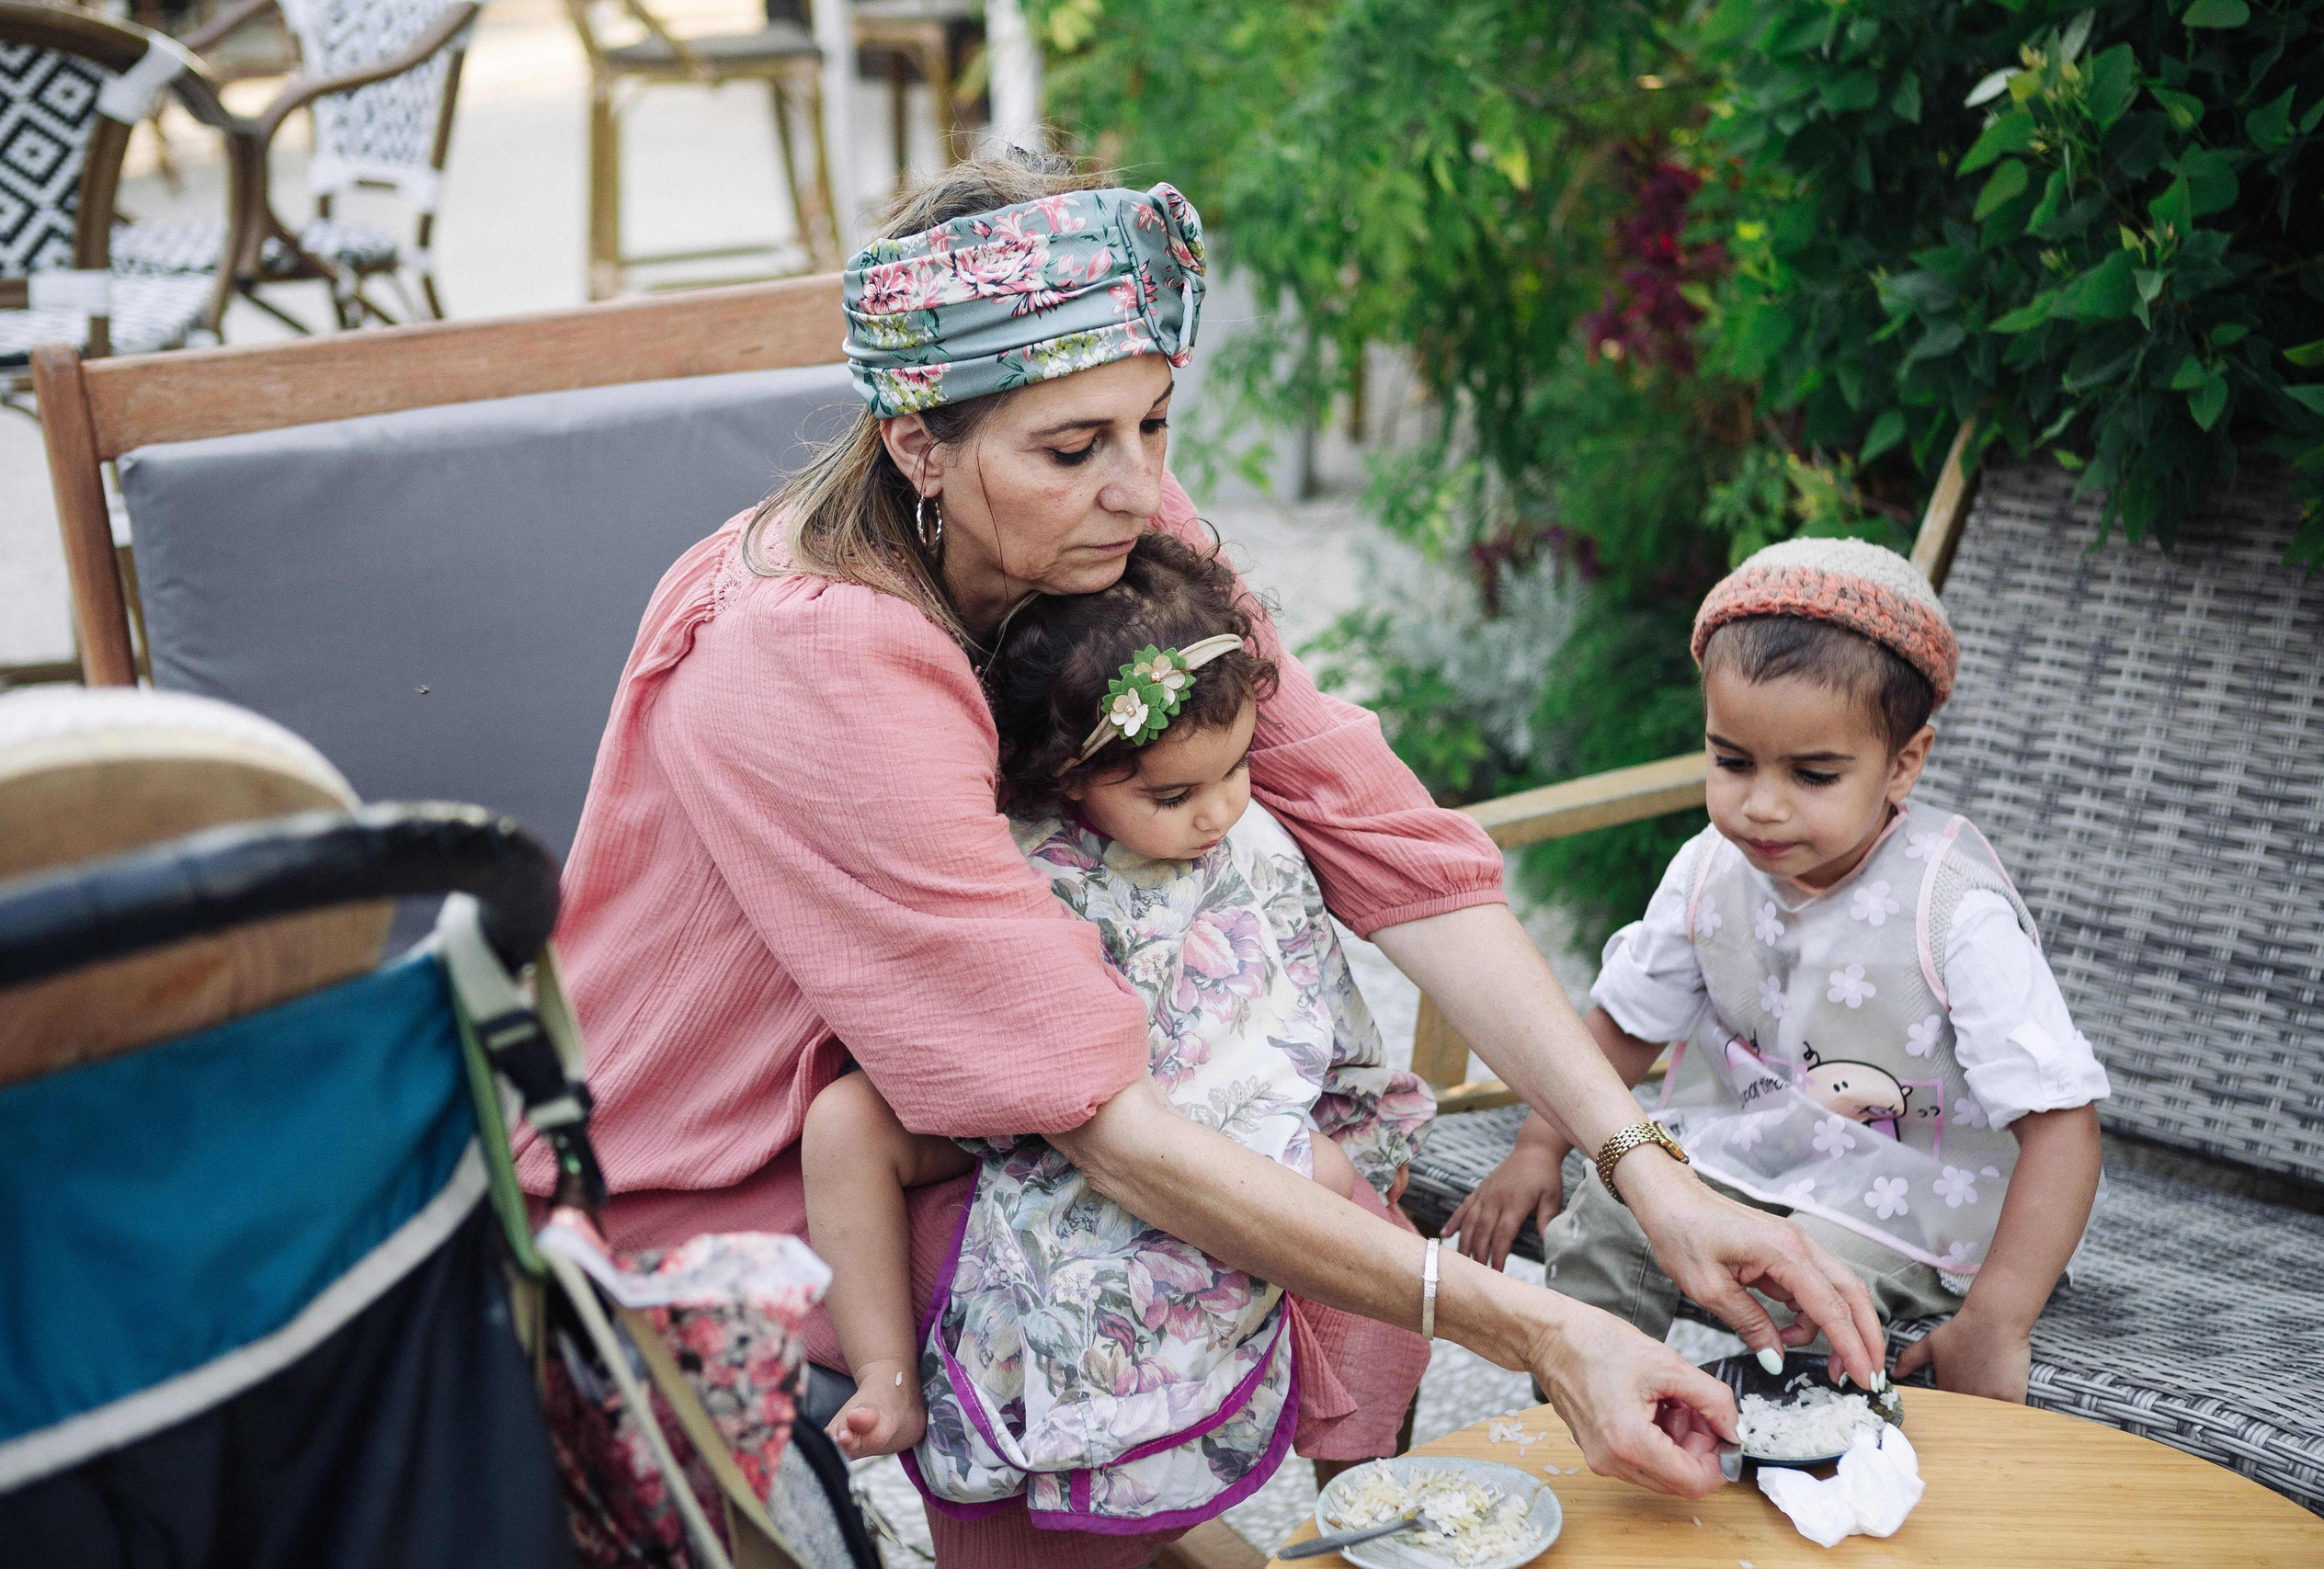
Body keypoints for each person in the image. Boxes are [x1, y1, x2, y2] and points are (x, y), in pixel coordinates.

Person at [519, 158, 1885, 1568]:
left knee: (1265, 1155)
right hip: (734, 1173)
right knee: (1096, 1275)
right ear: (916, 443)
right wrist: (1538, 1321)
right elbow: (1088, 1108)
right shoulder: (820, 651)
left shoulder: (1114, 549)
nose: (1140, 490)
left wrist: (1651, 1171)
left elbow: (1391, 843)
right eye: (1071, 447)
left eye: (1156, 422)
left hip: (960, 1104)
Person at [802, 534, 1432, 1537]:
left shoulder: (1245, 839)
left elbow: (1292, 1000)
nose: (1216, 811)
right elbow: (946, 992)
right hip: (1028, 1099)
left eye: (1233, 772)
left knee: (1318, 1172)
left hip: (1211, 1102)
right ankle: (886, 1372)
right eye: (1172, 796)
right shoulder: (1008, 857)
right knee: (842, 1122)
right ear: (1068, 777)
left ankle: (1340, 1467)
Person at [1445, 537, 2108, 1403]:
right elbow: (1626, 1025)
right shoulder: (1708, 870)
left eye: (1813, 773)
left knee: (1820, 1289)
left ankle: (1789, 1463)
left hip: (1904, 1192)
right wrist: (1540, 1145)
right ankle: (1588, 1424)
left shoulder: (1952, 912)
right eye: (1732, 760)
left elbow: (2064, 1126)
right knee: (1610, 1215)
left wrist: (1998, 1316)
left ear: (1903, 761)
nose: (1761, 803)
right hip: (1747, 1146)